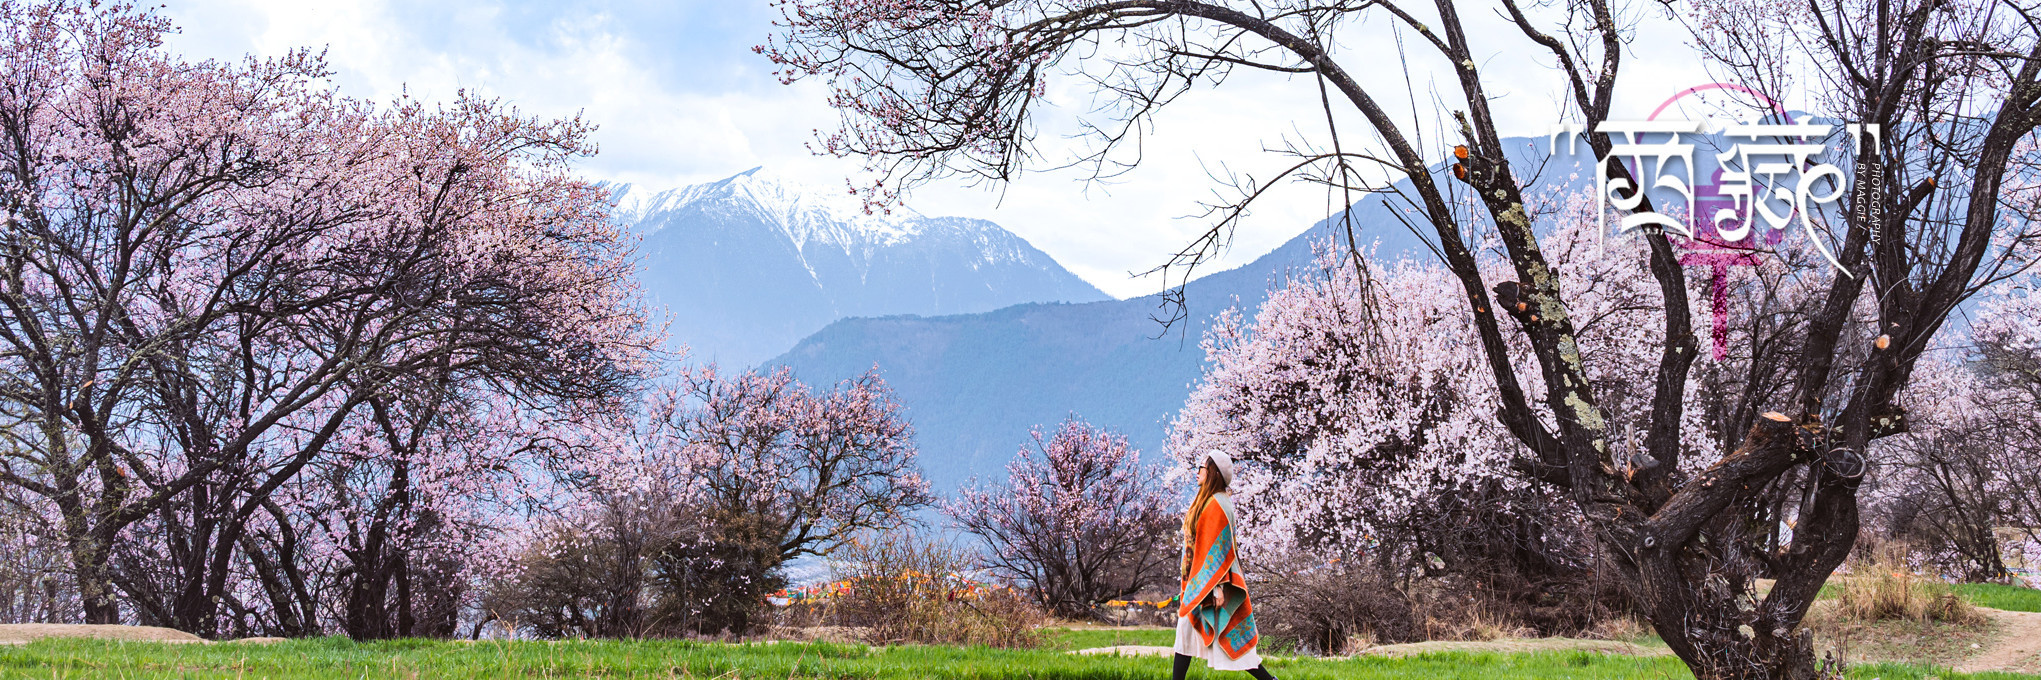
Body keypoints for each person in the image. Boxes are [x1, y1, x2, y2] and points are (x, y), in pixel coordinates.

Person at [1170, 451, 1278, 680]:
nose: (1197, 472)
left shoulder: (1217, 505)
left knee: (1231, 641)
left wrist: (1217, 587)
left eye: (1202, 467)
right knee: (1186, 635)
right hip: (1199, 583)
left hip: (1212, 585)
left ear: (1213, 473)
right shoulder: (1208, 501)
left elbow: (1219, 551)